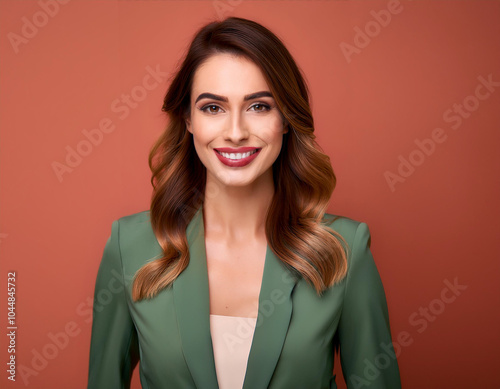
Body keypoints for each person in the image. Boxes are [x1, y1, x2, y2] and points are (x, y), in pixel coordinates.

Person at [87, 16, 402, 389]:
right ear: (187, 119)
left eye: (259, 107)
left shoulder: (345, 250)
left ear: (286, 118)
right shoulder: (130, 246)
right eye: (212, 108)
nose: (235, 133)